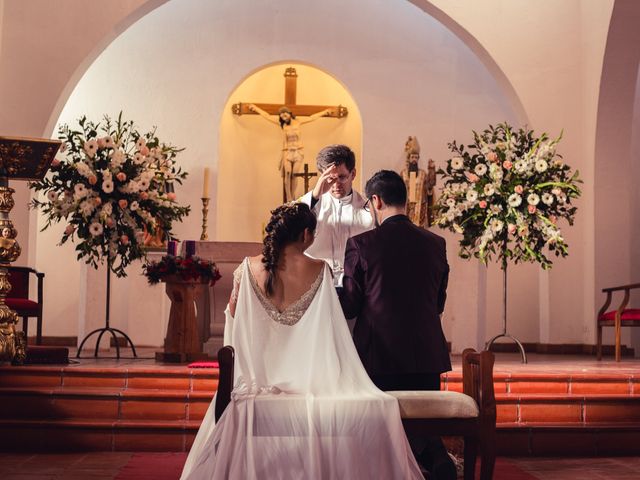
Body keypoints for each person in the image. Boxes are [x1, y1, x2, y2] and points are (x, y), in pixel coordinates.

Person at [180, 202, 422, 480]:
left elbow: (234, 316)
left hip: (256, 383)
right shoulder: (319, 269)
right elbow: (332, 328)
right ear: (306, 234)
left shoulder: (248, 267)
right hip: (310, 381)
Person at [339, 170, 455, 480]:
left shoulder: (361, 244)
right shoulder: (436, 243)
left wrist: (324, 290)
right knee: (423, 422)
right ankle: (434, 455)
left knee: (381, 424)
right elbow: (438, 303)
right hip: (427, 356)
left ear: (375, 200)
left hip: (380, 357)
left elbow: (350, 304)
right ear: (404, 200)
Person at [300, 144, 373, 286]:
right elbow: (289, 224)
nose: (336, 184)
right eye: (330, 178)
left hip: (354, 287)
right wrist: (315, 195)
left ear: (353, 174)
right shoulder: (311, 203)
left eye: (342, 177)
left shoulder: (368, 210)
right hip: (315, 284)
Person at [249, 103, 332, 202]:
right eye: (281, 115)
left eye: (285, 114)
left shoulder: (298, 122)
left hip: (298, 152)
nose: (284, 117)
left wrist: (324, 112)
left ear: (290, 114)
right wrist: (255, 109)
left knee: (295, 174)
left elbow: (312, 118)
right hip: (287, 152)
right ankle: (289, 197)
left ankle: (293, 195)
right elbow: (267, 116)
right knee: (288, 173)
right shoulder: (282, 125)